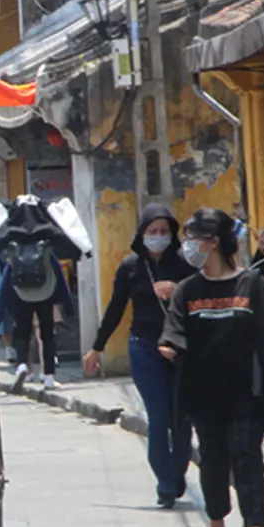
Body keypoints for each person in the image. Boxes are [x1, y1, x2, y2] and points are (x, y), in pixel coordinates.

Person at [160, 209, 264, 527]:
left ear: (213, 242)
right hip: (204, 393)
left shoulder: (251, 285)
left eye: (192, 238)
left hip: (245, 392)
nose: (187, 246)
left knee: (248, 461)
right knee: (213, 462)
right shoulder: (188, 290)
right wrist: (169, 345)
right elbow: (174, 329)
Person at [84, 204, 196, 507]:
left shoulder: (186, 267)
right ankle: (165, 484)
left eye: (164, 232)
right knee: (158, 419)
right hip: (145, 347)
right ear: (142, 234)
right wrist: (98, 346)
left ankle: (177, 472)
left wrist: (179, 290)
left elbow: (202, 300)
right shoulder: (130, 268)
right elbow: (116, 309)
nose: (158, 237)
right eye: (152, 231)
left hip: (180, 350)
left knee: (182, 419)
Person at [0, 241, 71, 388]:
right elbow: (59, 277)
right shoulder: (46, 248)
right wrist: (68, 306)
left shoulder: (14, 248)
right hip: (45, 294)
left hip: (21, 294)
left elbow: (4, 283)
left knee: (22, 332)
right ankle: (49, 376)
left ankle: (22, 364)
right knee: (47, 335)